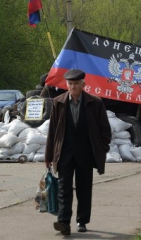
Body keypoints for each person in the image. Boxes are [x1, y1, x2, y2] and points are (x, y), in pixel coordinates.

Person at [44, 69, 111, 236]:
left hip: (85, 153)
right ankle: (64, 223)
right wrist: (49, 155)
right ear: (66, 85)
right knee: (63, 189)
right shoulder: (58, 102)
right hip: (65, 153)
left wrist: (102, 147)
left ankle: (82, 221)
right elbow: (52, 131)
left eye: (76, 84)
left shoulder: (95, 103)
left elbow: (105, 129)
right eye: (70, 84)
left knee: (84, 189)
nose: (73, 87)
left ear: (83, 84)